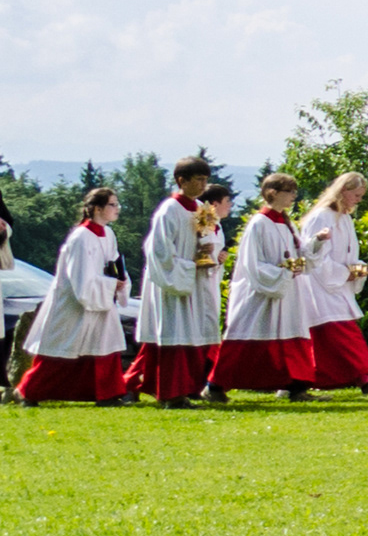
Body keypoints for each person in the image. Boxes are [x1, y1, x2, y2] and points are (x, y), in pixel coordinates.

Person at [209, 171, 320, 403]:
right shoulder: (259, 223)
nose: (294, 196)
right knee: (247, 342)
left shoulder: (286, 222)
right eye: (289, 191)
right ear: (272, 193)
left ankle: (296, 386)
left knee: (292, 338)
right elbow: (252, 263)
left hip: (286, 291)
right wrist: (281, 272)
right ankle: (215, 386)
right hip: (261, 294)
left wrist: (314, 246)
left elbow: (298, 251)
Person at [17, 188, 135, 405]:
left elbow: (114, 263)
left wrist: (120, 280)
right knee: (62, 351)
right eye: (113, 205)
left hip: (101, 301)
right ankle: (30, 391)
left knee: (104, 345)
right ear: (97, 208)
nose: (117, 209)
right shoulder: (81, 237)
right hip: (74, 304)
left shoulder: (108, 234)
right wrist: (109, 285)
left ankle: (107, 394)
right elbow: (80, 277)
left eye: (117, 204)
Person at [126, 154, 223, 407]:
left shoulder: (201, 210)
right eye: (198, 179)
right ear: (182, 180)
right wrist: (188, 265)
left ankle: (187, 388)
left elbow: (205, 239)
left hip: (193, 279)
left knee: (192, 336)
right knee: (174, 337)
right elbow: (158, 251)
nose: (203, 185)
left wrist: (207, 254)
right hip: (172, 283)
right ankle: (171, 393)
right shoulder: (169, 210)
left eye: (205, 180)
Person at [299, 172, 368, 395]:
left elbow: (347, 253)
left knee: (332, 338)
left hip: (338, 284)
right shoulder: (321, 217)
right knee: (342, 334)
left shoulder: (344, 218)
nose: (359, 200)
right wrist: (344, 272)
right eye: (356, 195)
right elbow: (314, 255)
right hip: (319, 285)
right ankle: (364, 379)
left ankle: (304, 381)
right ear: (343, 191)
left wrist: (356, 269)